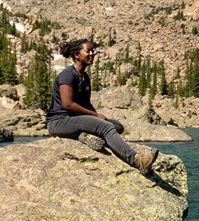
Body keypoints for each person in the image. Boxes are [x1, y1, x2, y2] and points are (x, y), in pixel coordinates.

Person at [46, 39, 158, 174]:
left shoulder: (85, 77)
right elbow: (68, 104)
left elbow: (85, 104)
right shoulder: (67, 75)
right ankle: (137, 160)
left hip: (74, 120)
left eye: (93, 51)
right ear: (77, 55)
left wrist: (97, 119)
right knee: (106, 127)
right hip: (59, 121)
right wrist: (95, 116)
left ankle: (83, 135)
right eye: (88, 51)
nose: (92, 53)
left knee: (117, 126)